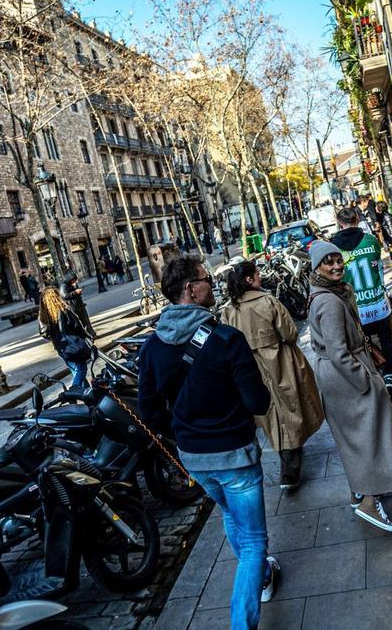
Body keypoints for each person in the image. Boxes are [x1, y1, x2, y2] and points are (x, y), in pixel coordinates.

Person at [137, 255, 279, 628]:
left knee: (231, 515)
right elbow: (258, 402)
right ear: (190, 289)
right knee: (253, 545)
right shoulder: (227, 339)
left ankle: (262, 576)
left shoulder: (151, 349)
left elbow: (149, 413)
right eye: (206, 280)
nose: (212, 286)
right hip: (236, 457)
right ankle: (242, 621)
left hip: (196, 460)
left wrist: (185, 431)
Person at [305, 241, 392, 532]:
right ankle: (370, 502)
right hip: (346, 377)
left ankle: (358, 491)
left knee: (354, 437)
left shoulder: (326, 294)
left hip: (335, 375)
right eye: (328, 262)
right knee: (370, 435)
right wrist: (366, 381)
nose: (336, 266)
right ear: (317, 267)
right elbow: (339, 352)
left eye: (338, 260)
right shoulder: (329, 302)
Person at [220, 261, 324, 490]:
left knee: (270, 416)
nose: (259, 278)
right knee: (291, 408)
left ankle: (289, 459)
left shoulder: (229, 310)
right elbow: (290, 333)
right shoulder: (268, 301)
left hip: (250, 370)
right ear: (249, 279)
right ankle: (290, 469)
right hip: (280, 363)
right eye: (256, 275)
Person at [330, 206, 392, 401]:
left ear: (339, 222)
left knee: (362, 343)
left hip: (355, 307)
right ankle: (390, 376)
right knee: (386, 336)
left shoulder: (333, 247)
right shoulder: (370, 240)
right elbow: (376, 262)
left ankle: (373, 376)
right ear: (357, 219)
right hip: (377, 304)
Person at [39, 287, 94, 389]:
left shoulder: (43, 317)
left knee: (75, 371)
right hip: (74, 344)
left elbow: (44, 333)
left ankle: (85, 394)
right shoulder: (64, 311)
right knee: (81, 370)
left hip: (61, 348)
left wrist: (56, 338)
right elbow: (77, 326)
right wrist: (87, 336)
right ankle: (74, 389)